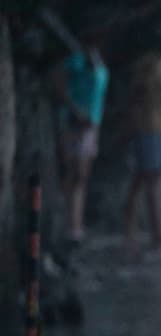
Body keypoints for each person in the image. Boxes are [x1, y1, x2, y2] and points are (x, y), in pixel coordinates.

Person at [53, 27, 110, 246]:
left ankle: (76, 224)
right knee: (73, 172)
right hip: (74, 122)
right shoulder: (77, 60)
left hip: (91, 125)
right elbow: (58, 82)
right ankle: (68, 223)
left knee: (82, 175)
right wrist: (74, 109)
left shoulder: (99, 63)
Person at [123, 51, 161, 248]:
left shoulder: (157, 92)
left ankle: (134, 227)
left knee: (142, 182)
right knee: (149, 184)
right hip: (150, 133)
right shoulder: (145, 89)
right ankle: (155, 230)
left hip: (157, 133)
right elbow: (134, 112)